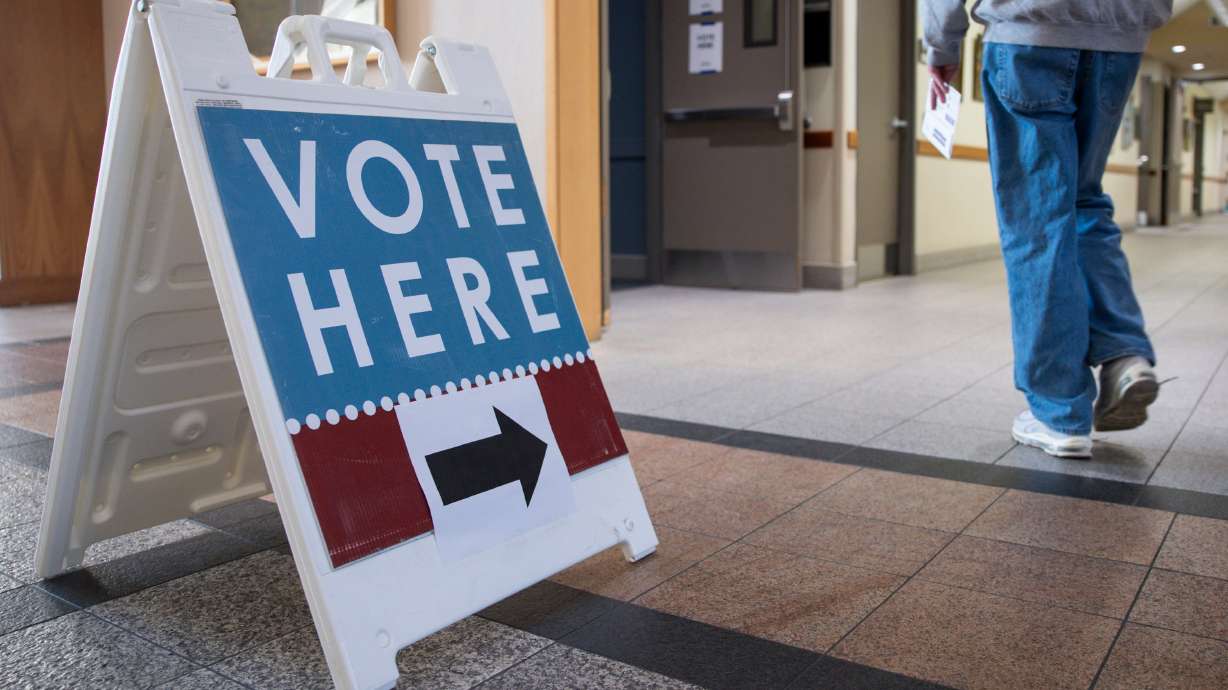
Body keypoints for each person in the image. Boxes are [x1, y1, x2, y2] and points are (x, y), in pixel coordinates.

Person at [923, 1, 1172, 458]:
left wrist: (942, 42)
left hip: (1030, 31)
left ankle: (1059, 414)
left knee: (1037, 219)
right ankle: (1123, 353)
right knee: (1083, 200)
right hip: (1121, 38)